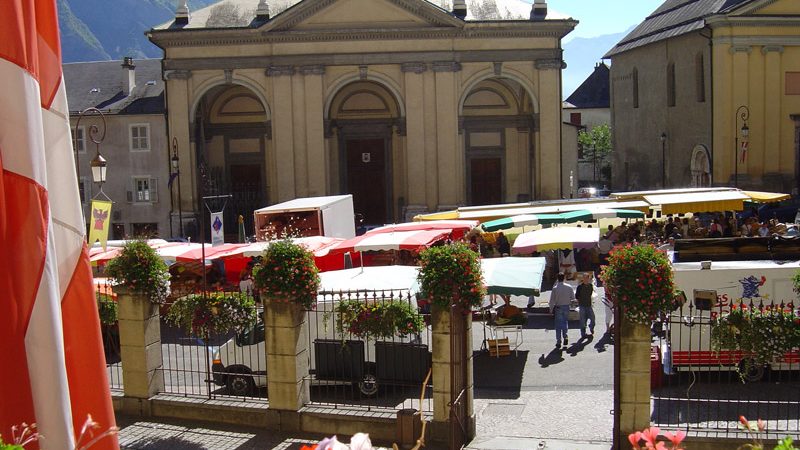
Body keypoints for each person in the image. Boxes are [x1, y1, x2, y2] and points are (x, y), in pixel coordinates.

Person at [549, 273, 574, 348]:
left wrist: (550, 309)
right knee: (565, 322)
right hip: (566, 306)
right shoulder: (569, 287)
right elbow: (573, 298)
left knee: (558, 324)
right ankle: (565, 335)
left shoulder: (555, 288)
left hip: (558, 307)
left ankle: (558, 340)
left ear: (557, 278)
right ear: (564, 278)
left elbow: (552, 300)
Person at [575, 273, 595, 338]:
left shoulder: (590, 286)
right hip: (582, 306)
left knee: (593, 319)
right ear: (582, 279)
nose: (585, 279)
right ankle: (583, 333)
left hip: (589, 305)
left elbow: (590, 294)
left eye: (586, 278)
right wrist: (579, 303)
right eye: (584, 278)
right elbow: (577, 296)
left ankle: (591, 327)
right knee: (582, 321)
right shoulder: (580, 287)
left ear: (588, 279)